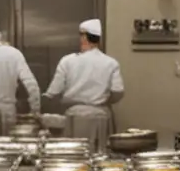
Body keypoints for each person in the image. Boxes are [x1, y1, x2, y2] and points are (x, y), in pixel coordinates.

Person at [45, 18, 124, 150]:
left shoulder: (67, 61)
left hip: (75, 118)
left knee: (75, 156)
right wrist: (104, 101)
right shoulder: (111, 63)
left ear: (84, 37)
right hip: (100, 117)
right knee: (100, 155)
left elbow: (53, 91)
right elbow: (118, 91)